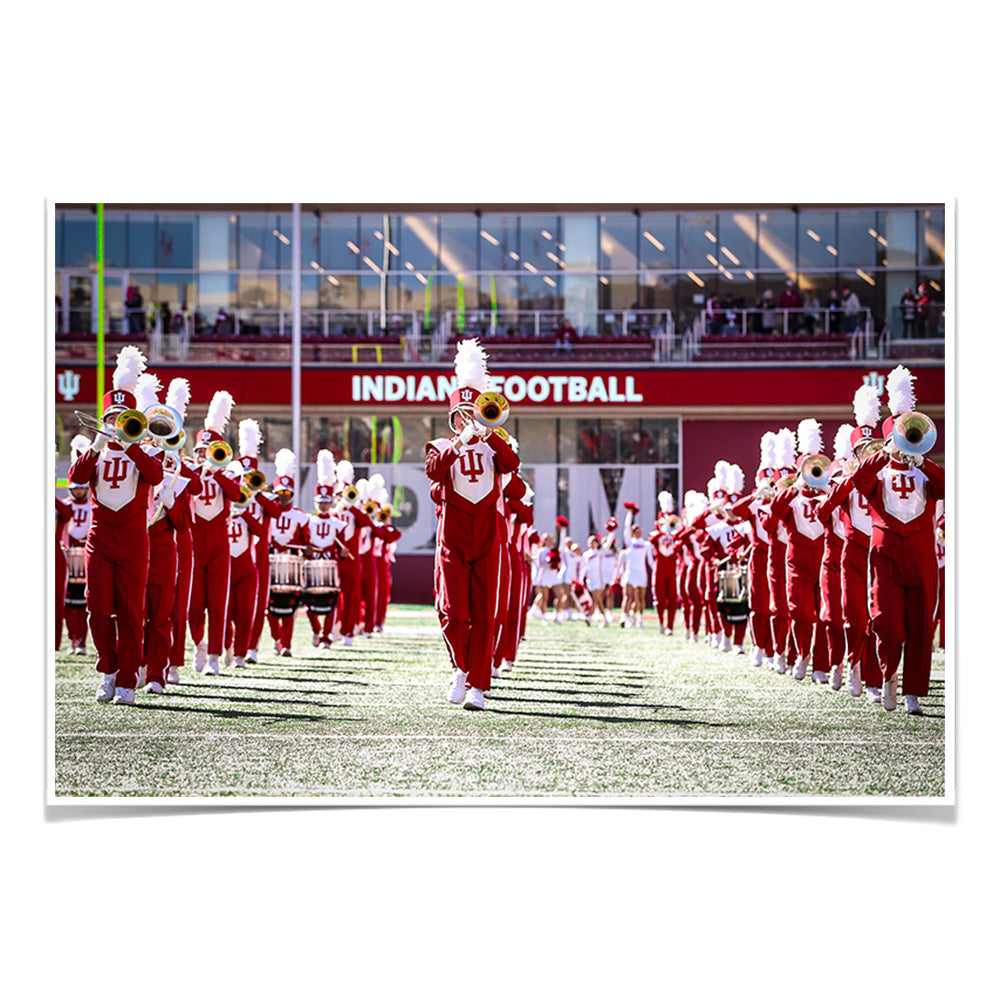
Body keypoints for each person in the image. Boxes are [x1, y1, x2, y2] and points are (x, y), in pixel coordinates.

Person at [841, 366, 944, 715]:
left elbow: (947, 487)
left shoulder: (923, 468)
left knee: (920, 624)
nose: (903, 444)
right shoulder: (877, 471)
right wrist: (883, 453)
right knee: (884, 619)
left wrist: (924, 461)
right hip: (885, 552)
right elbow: (857, 482)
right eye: (899, 437)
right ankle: (886, 677)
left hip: (921, 552)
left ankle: (913, 691)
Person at [426, 338, 521, 711]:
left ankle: (479, 685)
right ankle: (460, 669)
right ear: (453, 417)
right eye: (462, 414)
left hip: (487, 534)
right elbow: (434, 472)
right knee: (453, 610)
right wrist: (461, 440)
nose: (469, 419)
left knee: (485, 612)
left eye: (474, 411)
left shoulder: (498, 444)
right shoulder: (440, 445)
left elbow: (512, 466)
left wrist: (490, 435)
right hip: (453, 535)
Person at [68, 345, 164, 706]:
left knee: (131, 610)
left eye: (123, 417)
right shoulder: (96, 450)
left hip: (134, 539)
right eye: (112, 417)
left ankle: (127, 680)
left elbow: (154, 476)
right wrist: (96, 444)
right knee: (96, 605)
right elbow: (76, 479)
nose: (117, 423)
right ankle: (108, 668)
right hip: (100, 537)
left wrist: (133, 444)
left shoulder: (146, 451)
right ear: (105, 418)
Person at [187, 390, 245, 676]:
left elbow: (237, 495)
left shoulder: (227, 475)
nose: (203, 456)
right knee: (194, 605)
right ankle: (198, 644)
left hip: (219, 543)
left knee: (218, 603)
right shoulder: (187, 472)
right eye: (200, 451)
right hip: (196, 543)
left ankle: (214, 654)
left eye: (208, 451)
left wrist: (218, 470)